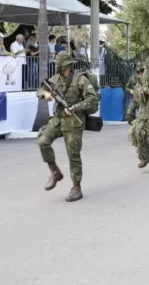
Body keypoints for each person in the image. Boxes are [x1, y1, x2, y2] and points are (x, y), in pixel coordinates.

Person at [36, 51, 99, 202]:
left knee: (73, 155)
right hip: (58, 119)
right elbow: (40, 90)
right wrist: (47, 95)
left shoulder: (80, 79)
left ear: (69, 65)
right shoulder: (55, 79)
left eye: (62, 66)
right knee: (43, 141)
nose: (59, 68)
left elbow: (92, 99)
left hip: (73, 122)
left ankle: (76, 187)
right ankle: (55, 172)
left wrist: (75, 107)